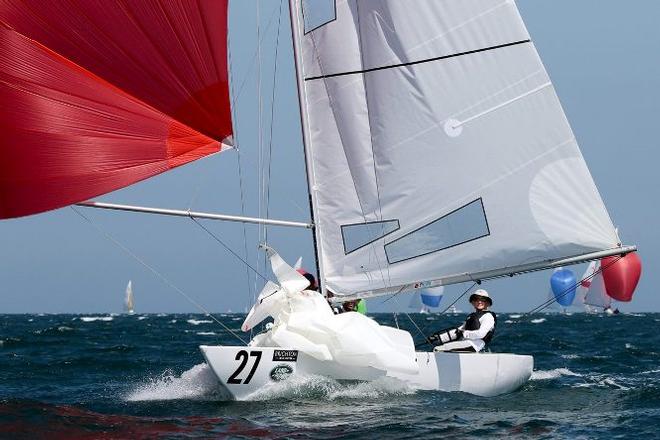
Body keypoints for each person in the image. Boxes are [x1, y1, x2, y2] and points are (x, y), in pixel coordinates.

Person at [428, 289, 496, 353]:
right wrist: (438, 338)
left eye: (483, 300)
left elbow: (481, 334)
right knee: (438, 347)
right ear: (472, 302)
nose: (479, 302)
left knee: (437, 349)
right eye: (476, 299)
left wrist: (465, 333)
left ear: (487, 303)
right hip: (466, 343)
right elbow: (458, 331)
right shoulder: (472, 316)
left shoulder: (488, 316)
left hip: (475, 345)